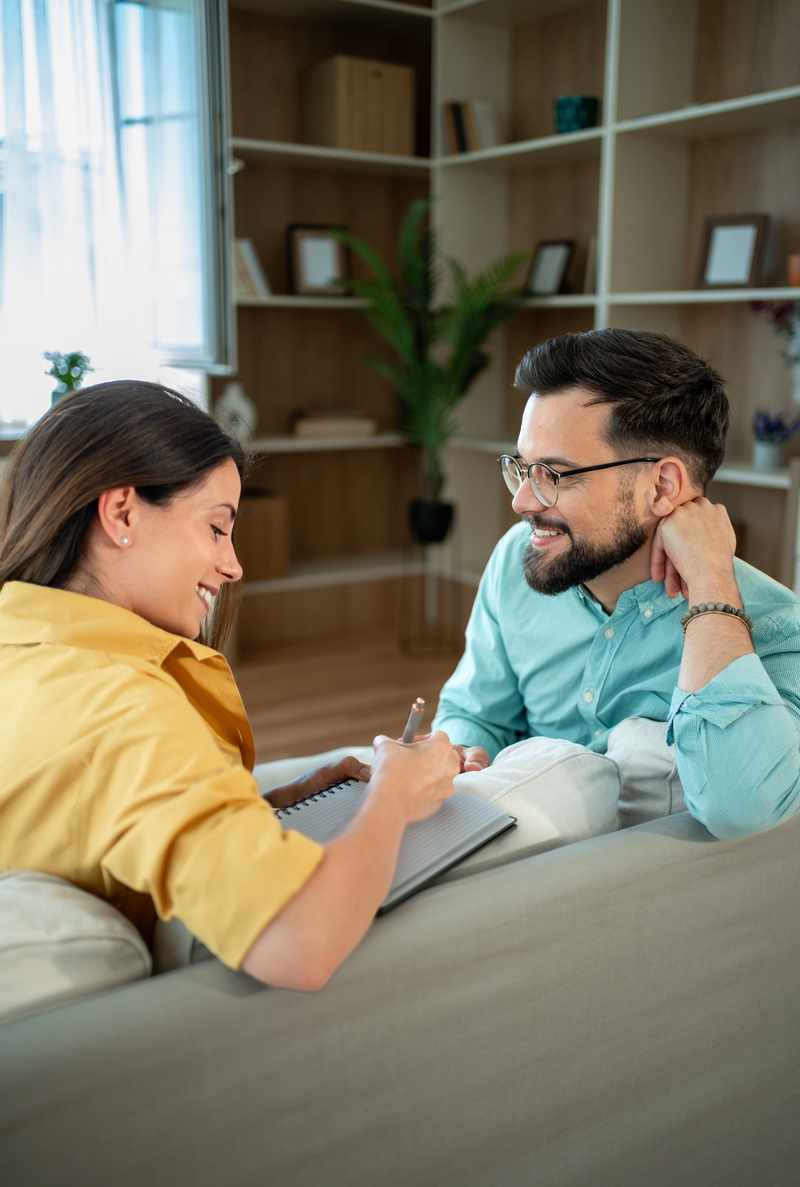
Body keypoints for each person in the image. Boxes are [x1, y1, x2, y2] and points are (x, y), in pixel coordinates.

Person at [0, 381, 460, 990]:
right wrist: (397, 794)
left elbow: (97, 821)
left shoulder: (26, 647)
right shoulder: (124, 707)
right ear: (121, 514)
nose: (234, 564)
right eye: (218, 528)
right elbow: (301, 940)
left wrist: (277, 801)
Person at [433, 329, 800, 838]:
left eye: (554, 475)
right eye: (521, 468)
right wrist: (464, 749)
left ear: (662, 486)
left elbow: (745, 811)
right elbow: (473, 710)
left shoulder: (776, 630)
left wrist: (712, 586)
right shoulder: (515, 564)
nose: (522, 502)